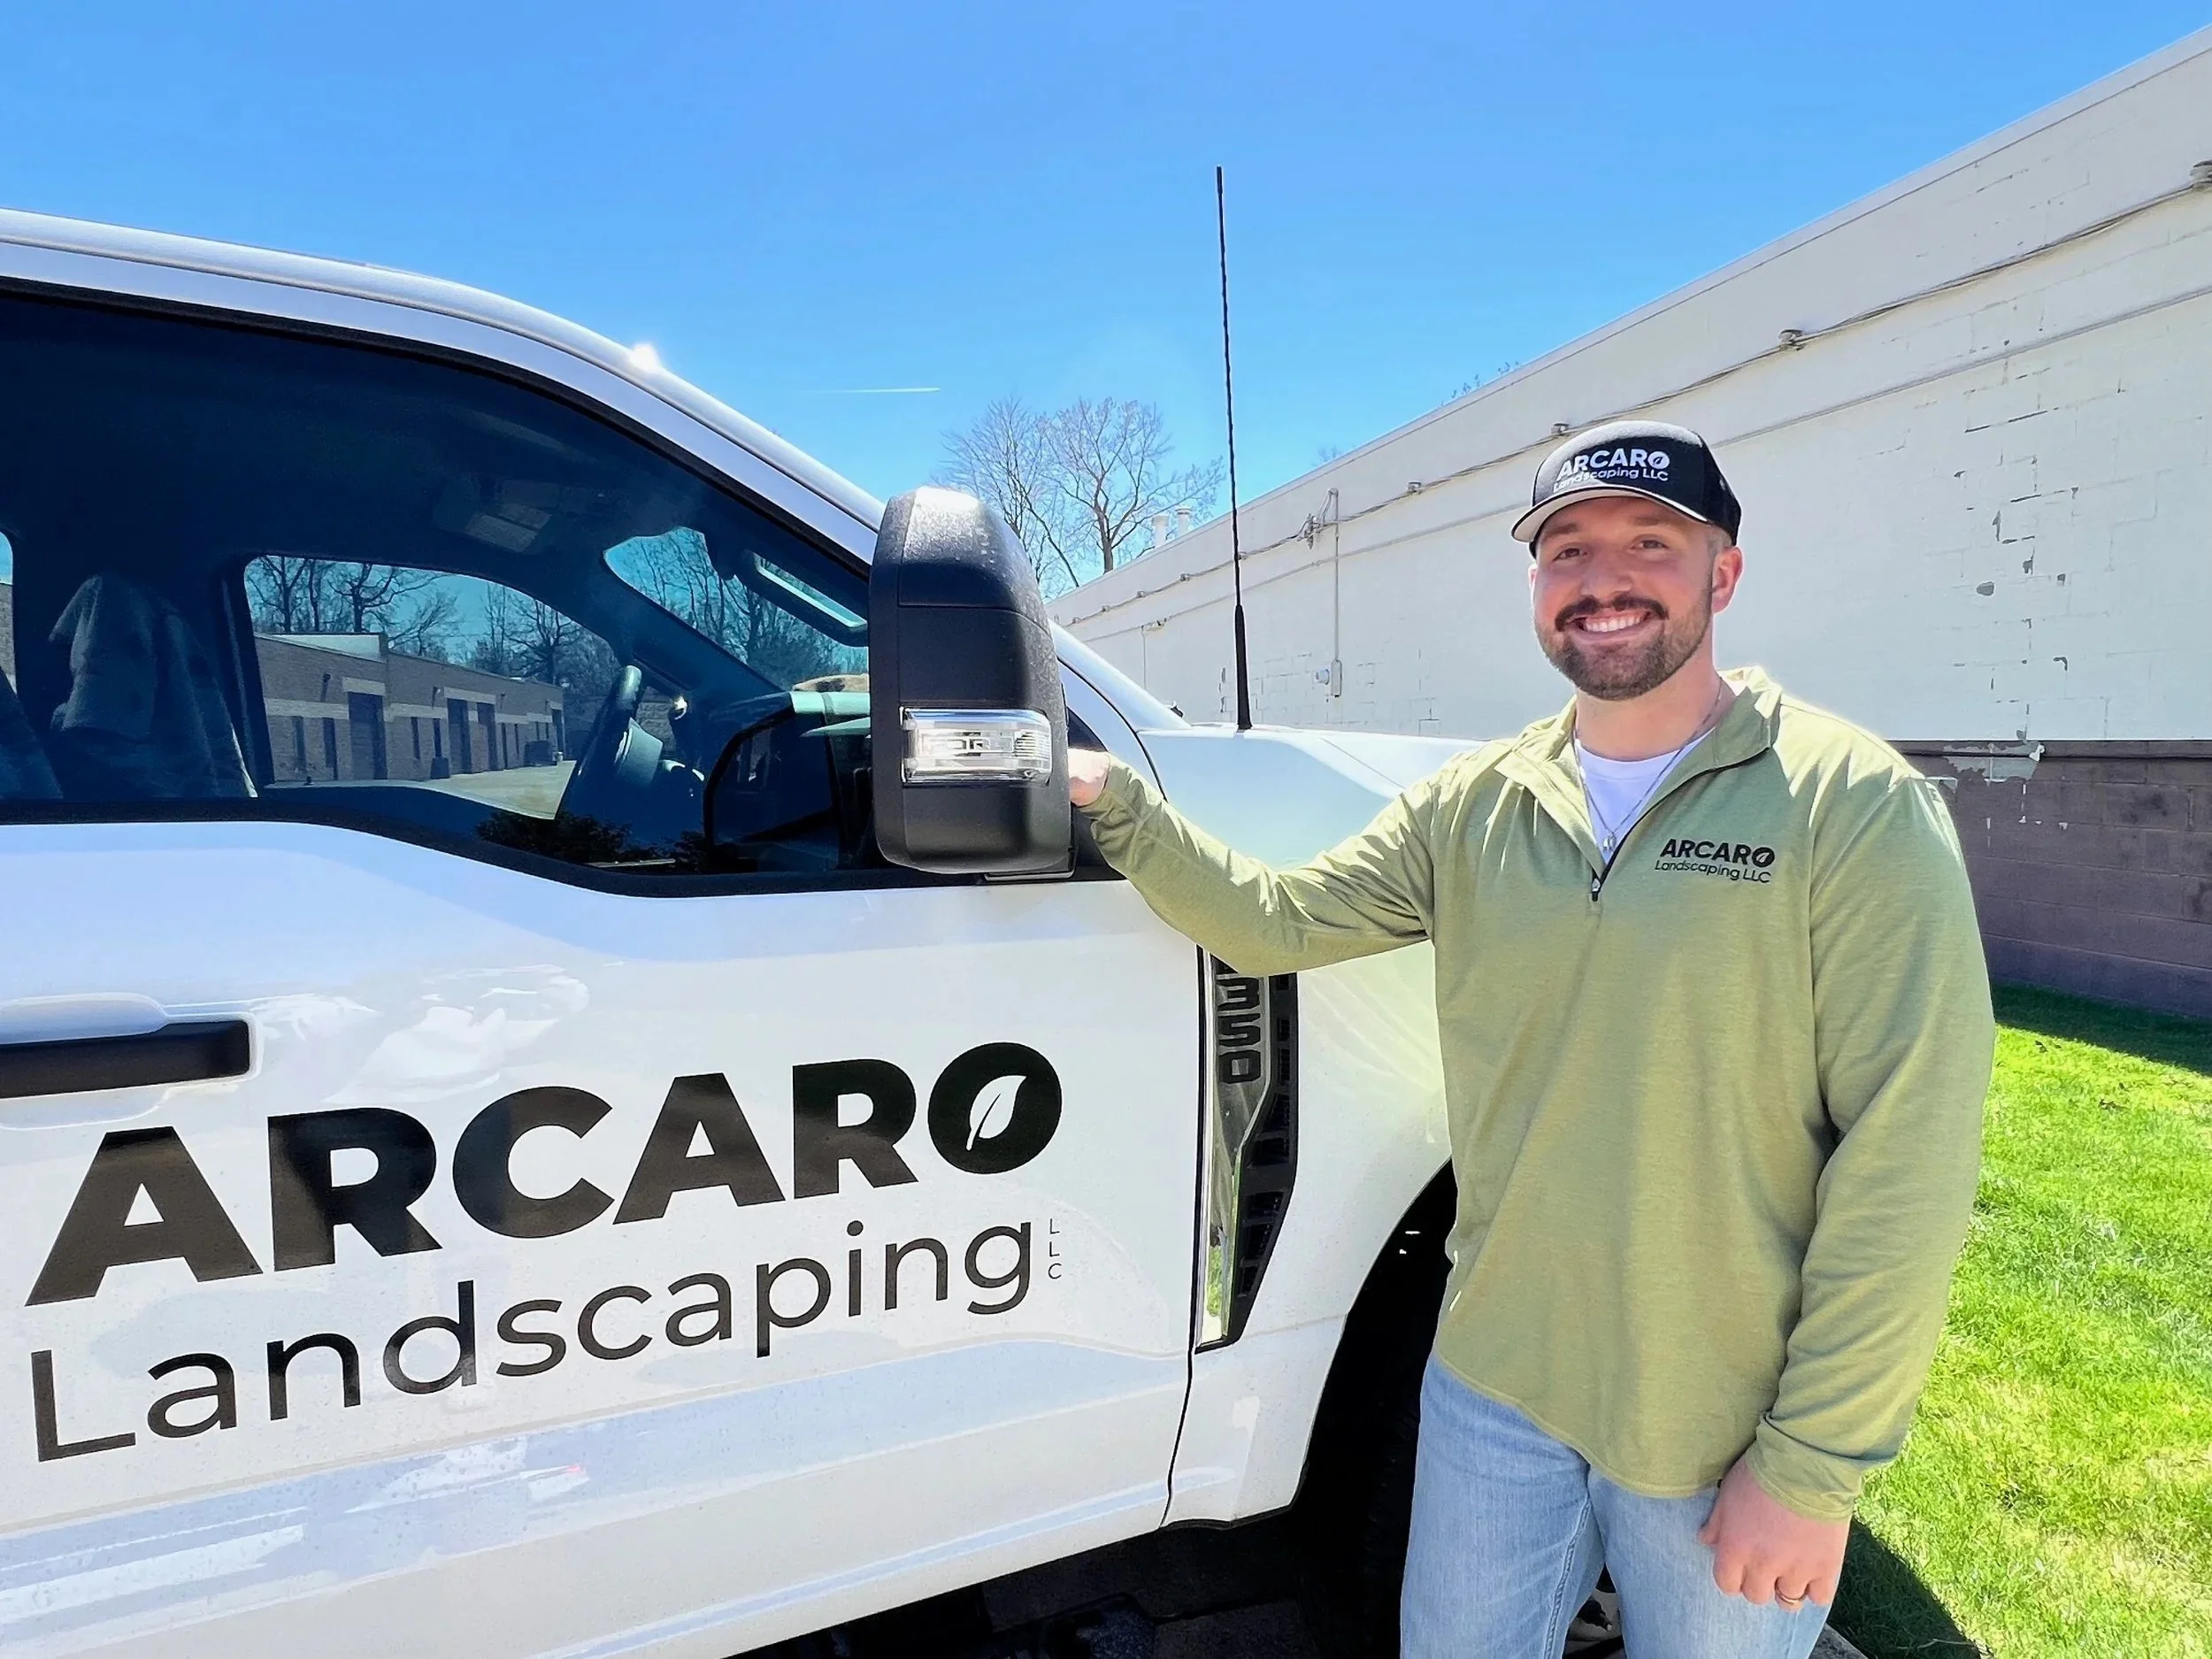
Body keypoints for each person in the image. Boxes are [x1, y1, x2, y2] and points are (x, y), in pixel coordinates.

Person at [1067, 420, 1993, 1659]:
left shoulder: (1850, 804)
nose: (1602, 578)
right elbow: (1275, 918)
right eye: (1567, 550)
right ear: (1537, 588)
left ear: (1723, 573)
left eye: (1649, 544)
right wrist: (1109, 801)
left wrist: (1814, 1466)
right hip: (1491, 1395)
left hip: (1719, 1424)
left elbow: (1910, 1157)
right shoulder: (1480, 803)